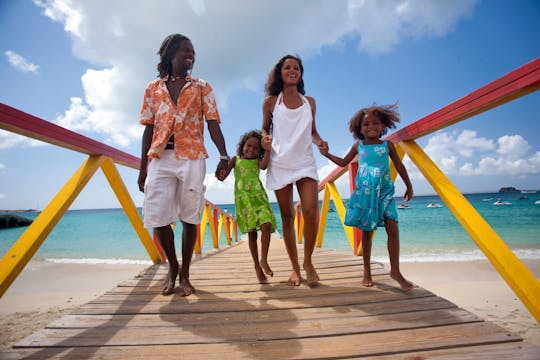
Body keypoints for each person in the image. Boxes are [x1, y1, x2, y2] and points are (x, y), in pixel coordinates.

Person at [138, 34, 229, 296]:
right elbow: (148, 128)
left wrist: (223, 156)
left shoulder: (202, 86)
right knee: (156, 214)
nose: (190, 55)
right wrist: (143, 167)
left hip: (192, 156)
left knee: (190, 215)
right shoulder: (152, 88)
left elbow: (213, 123)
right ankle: (173, 266)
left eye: (193, 51)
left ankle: (186, 274)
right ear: (170, 54)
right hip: (159, 157)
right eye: (185, 50)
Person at [319, 104, 414, 290]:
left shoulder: (388, 145)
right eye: (366, 124)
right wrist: (327, 154)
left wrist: (409, 185)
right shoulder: (359, 145)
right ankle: (367, 270)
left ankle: (395, 270)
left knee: (393, 228)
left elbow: (399, 166)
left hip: (385, 190)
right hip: (366, 192)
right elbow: (344, 162)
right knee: (367, 232)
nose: (371, 127)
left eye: (375, 123)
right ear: (359, 128)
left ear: (383, 125)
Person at [261, 54, 326, 286]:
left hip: (304, 162)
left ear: (300, 73)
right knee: (287, 217)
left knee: (310, 211)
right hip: (280, 162)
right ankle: (295, 268)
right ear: (280, 72)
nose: (292, 70)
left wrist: (320, 143)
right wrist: (265, 139)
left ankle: (308, 261)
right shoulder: (271, 101)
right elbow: (264, 130)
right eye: (287, 67)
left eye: (296, 68)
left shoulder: (310, 102)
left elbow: (313, 132)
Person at [222, 130, 277, 283]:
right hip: (244, 200)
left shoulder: (258, 162)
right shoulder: (235, 160)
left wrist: (267, 149)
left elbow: (265, 166)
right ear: (243, 145)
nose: (251, 150)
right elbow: (222, 176)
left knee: (266, 224)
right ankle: (257, 267)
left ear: (260, 151)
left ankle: (263, 260)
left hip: (259, 197)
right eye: (248, 146)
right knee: (252, 233)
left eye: (255, 148)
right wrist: (220, 171)